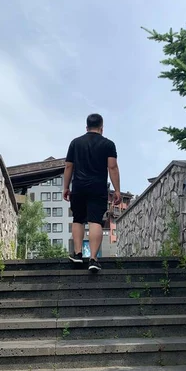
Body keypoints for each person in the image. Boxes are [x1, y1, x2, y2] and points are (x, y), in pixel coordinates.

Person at [63, 114, 121, 271]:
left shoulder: (75, 143)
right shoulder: (108, 144)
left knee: (78, 219)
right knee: (95, 221)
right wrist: (117, 190)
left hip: (79, 186)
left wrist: (66, 187)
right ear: (101, 128)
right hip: (98, 187)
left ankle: (78, 254)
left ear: (86, 127)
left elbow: (69, 167)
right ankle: (93, 259)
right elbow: (112, 167)